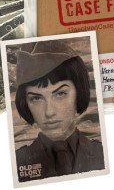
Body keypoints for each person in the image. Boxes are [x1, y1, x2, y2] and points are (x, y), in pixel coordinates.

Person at [14, 41, 105, 181]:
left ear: (79, 93)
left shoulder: (104, 153)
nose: (49, 112)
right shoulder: (17, 162)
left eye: (60, 94)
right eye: (36, 98)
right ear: (25, 103)